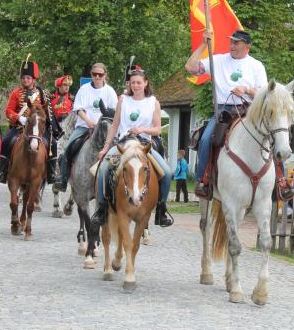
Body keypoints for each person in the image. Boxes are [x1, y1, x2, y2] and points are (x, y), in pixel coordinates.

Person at [185, 29, 267, 197]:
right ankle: (203, 180)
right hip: (222, 111)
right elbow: (190, 67)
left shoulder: (256, 65)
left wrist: (246, 90)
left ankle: (279, 182)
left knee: (272, 136)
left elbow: (264, 94)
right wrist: (203, 44)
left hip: (248, 112)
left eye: (236, 42)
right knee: (206, 139)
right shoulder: (218, 60)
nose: (232, 45)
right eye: (231, 41)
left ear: (247, 47)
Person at [97, 67, 173, 227]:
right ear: (129, 84)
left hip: (144, 145)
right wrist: (105, 147)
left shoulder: (154, 102)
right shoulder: (123, 100)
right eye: (133, 83)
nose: (136, 85)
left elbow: (158, 129)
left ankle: (161, 209)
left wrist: (143, 129)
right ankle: (101, 209)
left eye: (139, 82)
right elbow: (115, 124)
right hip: (124, 143)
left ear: (145, 83)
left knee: (167, 172)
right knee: (102, 169)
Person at [0, 56, 61, 184]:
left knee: (52, 143)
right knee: (6, 141)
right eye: (23, 78)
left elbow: (48, 112)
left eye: (28, 78)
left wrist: (41, 120)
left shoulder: (42, 93)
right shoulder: (15, 93)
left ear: (33, 79)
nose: (25, 80)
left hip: (37, 129)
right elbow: (8, 110)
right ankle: (2, 171)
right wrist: (19, 117)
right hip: (19, 128)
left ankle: (51, 174)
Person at [54, 63, 118, 192]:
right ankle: (63, 178)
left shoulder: (110, 91)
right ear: (91, 75)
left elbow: (115, 111)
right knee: (68, 147)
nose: (97, 77)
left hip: (105, 128)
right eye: (95, 74)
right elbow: (78, 108)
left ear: (105, 75)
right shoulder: (84, 89)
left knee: (118, 150)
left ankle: (117, 180)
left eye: (100, 74)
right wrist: (88, 121)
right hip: (84, 126)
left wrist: (103, 124)